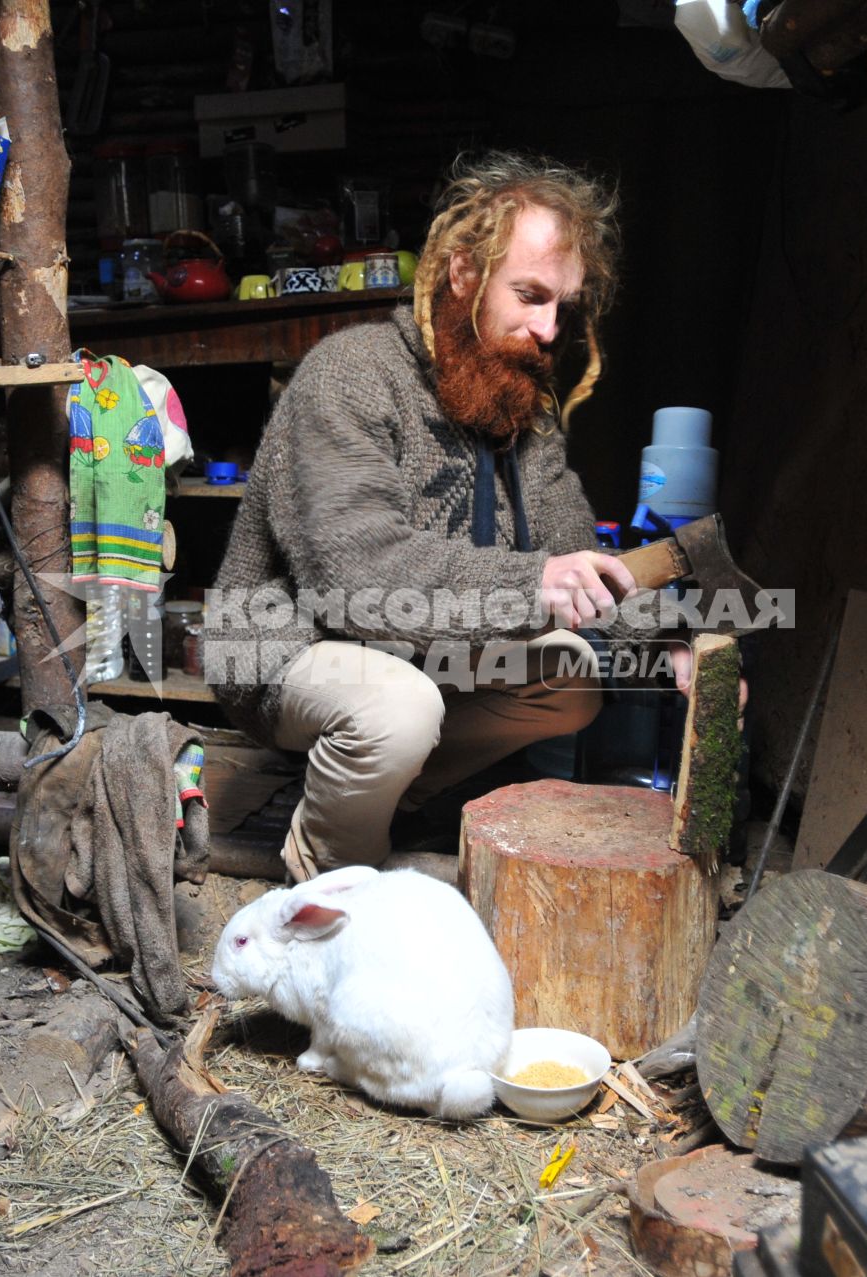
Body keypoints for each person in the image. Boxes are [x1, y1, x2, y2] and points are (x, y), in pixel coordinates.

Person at [206, 151, 680, 880]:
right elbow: (356, 578)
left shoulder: (521, 406)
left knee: (574, 675)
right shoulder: (352, 374)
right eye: (529, 294)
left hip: (415, 653)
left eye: (563, 304)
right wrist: (535, 585)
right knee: (397, 707)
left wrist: (669, 651)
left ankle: (387, 789)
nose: (550, 327)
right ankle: (334, 872)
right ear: (463, 275)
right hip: (288, 644)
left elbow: (580, 558)